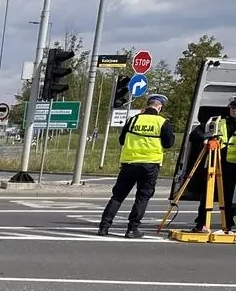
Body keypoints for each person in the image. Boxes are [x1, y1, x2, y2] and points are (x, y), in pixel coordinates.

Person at [97, 93, 175, 238]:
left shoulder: (133, 120)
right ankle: (132, 229)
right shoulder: (163, 122)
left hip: (129, 163)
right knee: (142, 197)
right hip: (150, 165)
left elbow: (122, 140)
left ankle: (104, 227)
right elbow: (169, 144)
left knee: (118, 196)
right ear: (160, 107)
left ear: (148, 104)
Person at [190, 96, 236, 232]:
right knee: (208, 194)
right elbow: (195, 134)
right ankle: (201, 223)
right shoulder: (218, 121)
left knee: (228, 197)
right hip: (216, 162)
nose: (235, 110)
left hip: (232, 165)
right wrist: (206, 138)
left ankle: (227, 223)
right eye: (233, 108)